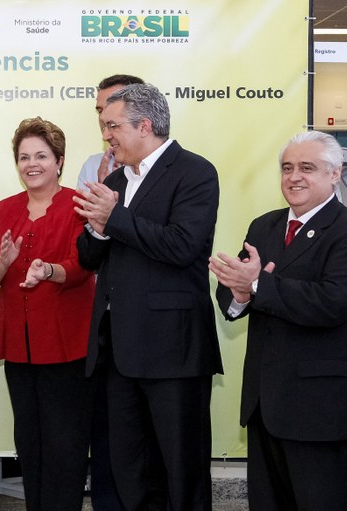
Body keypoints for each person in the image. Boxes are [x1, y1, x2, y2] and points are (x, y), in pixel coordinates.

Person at [210, 131, 347, 511]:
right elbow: (236, 292)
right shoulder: (264, 226)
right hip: (264, 404)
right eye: (287, 168)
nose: (294, 177)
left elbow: (332, 303)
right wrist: (240, 293)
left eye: (307, 167)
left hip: (318, 410)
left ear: (335, 174)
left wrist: (257, 285)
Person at [74, 83, 222, 510]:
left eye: (113, 126)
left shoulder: (195, 172)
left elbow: (183, 246)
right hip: (119, 351)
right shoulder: (115, 181)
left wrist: (114, 218)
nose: (106, 135)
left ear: (145, 125)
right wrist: (99, 228)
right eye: (104, 126)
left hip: (172, 349)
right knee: (130, 468)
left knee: (180, 468)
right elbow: (88, 257)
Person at [0, 117, 95, 511]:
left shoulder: (78, 207)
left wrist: (48, 271)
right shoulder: (4, 209)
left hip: (66, 343)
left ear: (59, 161)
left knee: (66, 441)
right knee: (28, 439)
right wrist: (4, 261)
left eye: (41, 156)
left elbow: (82, 267)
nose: (32, 164)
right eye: (24, 157)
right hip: (19, 343)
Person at [75, 72, 143, 511]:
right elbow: (88, 247)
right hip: (105, 321)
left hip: (151, 323)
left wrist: (113, 211)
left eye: (112, 112)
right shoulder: (93, 167)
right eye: (100, 112)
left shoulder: (178, 170)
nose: (105, 123)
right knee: (107, 433)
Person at [76, 74, 145, 192]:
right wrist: (101, 193)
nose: (103, 117)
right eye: (100, 111)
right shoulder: (93, 165)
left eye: (111, 109)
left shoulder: (166, 166)